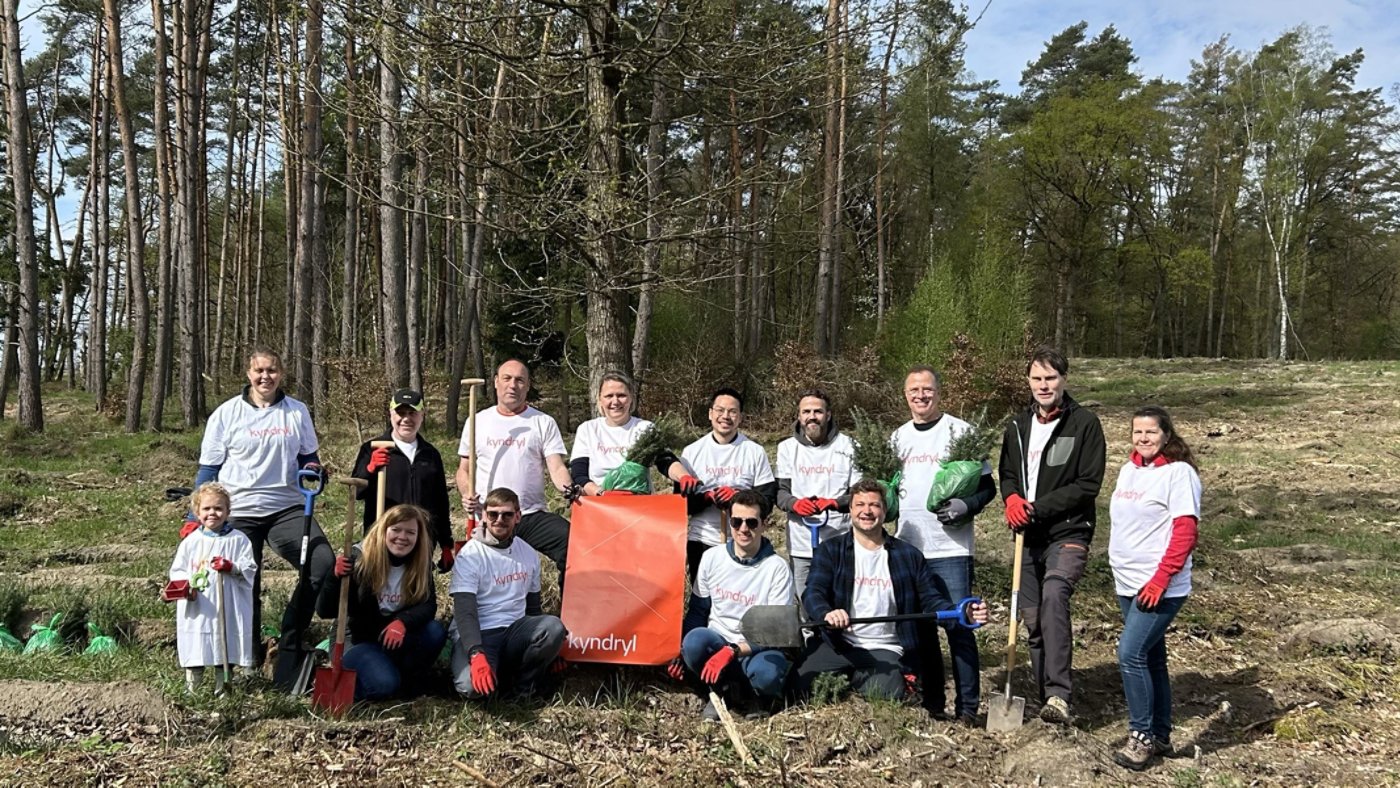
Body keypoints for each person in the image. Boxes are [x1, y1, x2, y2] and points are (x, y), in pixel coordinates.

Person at [192, 348, 332, 688]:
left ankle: (290, 640)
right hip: (238, 512)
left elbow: (308, 458)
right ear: (248, 374)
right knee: (243, 582)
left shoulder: (296, 412)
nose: (265, 377)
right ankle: (247, 657)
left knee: (321, 563)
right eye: (258, 371)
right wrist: (194, 514)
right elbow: (209, 469)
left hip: (287, 508)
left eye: (271, 370)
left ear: (281, 373)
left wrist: (314, 471)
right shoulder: (226, 414)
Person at [797, 480, 989, 705]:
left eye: (874, 505)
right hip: (839, 644)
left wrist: (963, 613)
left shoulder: (908, 555)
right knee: (799, 687)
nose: (867, 511)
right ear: (850, 510)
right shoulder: (831, 550)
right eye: (860, 505)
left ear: (884, 511)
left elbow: (931, 600)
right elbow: (813, 592)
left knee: (888, 694)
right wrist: (826, 613)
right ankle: (850, 678)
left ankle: (863, 680)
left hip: (885, 649)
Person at [998, 346, 1106, 724]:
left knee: (1054, 597)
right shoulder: (1016, 425)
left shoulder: (1084, 424)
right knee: (1031, 617)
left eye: (1051, 378)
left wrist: (1038, 507)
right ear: (1028, 381)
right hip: (1026, 536)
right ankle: (1045, 696)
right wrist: (1012, 499)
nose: (1044, 386)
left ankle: (1060, 694)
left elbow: (1088, 483)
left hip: (1068, 531)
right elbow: (1008, 472)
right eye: (1037, 378)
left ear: (1064, 380)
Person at [891, 366, 996, 723]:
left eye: (927, 389)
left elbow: (987, 487)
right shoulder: (897, 438)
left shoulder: (961, 431)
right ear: (905, 395)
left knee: (958, 625)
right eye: (913, 390)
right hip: (908, 547)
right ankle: (933, 704)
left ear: (939, 392)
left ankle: (968, 709)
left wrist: (968, 505)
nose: (921, 395)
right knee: (920, 630)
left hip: (950, 548)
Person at [1108, 406, 1201, 770]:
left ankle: (1141, 735)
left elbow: (1185, 531)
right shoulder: (1128, 470)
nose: (1143, 438)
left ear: (1166, 435)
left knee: (1129, 655)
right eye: (1137, 432)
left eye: (1151, 432)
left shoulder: (1179, 474)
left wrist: (1163, 577)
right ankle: (1161, 733)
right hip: (1127, 580)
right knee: (1151, 657)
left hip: (1159, 585)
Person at [676, 490, 794, 719]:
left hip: (754, 648)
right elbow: (699, 610)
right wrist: (678, 652)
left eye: (751, 522)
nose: (743, 529)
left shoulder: (777, 568)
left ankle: (753, 695)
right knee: (693, 642)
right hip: (717, 640)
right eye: (736, 521)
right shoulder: (712, 557)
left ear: (764, 524)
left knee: (769, 674)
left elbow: (775, 632)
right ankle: (720, 690)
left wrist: (735, 649)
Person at [456, 360, 575, 580]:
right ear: (495, 382)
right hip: (489, 517)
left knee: (573, 543)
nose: (513, 385)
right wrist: (466, 494)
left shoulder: (542, 422)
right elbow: (464, 471)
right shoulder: (477, 421)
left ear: (528, 385)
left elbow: (556, 466)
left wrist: (571, 491)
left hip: (529, 515)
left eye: (520, 380)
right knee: (483, 574)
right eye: (507, 378)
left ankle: (569, 610)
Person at [317, 504, 447, 701]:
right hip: (357, 640)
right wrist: (334, 578)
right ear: (383, 531)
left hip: (391, 638)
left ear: (418, 536)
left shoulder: (420, 563)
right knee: (384, 684)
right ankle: (365, 683)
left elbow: (428, 605)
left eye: (410, 532)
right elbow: (324, 610)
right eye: (396, 530)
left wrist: (402, 622)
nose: (402, 537)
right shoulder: (359, 560)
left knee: (434, 631)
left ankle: (408, 681)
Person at [449, 487, 568, 701]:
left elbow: (533, 608)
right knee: (470, 688)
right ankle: (491, 672)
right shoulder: (470, 554)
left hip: (514, 630)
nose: (499, 520)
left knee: (553, 627)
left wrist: (551, 649)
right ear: (484, 515)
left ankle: (524, 687)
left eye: (507, 514)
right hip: (480, 632)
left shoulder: (529, 554)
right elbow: (464, 611)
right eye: (493, 514)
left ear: (518, 516)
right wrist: (476, 653)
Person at [671, 388, 777, 586]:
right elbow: (680, 504)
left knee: (738, 596)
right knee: (703, 597)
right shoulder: (691, 452)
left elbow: (767, 500)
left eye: (732, 411)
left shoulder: (754, 452)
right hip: (702, 539)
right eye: (720, 410)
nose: (725, 417)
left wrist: (739, 497)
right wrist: (707, 497)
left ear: (740, 417)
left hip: (743, 540)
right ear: (710, 413)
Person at [350, 389, 455, 572]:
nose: (406, 419)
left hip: (421, 540)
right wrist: (370, 469)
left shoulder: (430, 455)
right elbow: (357, 492)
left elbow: (441, 502)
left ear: (422, 415)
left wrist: (446, 544)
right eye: (400, 413)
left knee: (418, 594)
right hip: (383, 538)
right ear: (391, 414)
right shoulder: (372, 449)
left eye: (412, 413)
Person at [167, 483, 257, 694]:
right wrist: (184, 586)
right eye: (206, 509)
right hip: (199, 605)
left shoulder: (238, 540)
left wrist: (232, 567)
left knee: (223, 644)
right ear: (197, 512)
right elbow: (178, 570)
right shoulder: (191, 542)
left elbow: (250, 568)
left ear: (227, 512)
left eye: (218, 508)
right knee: (196, 645)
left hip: (226, 603)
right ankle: (192, 689)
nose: (212, 513)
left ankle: (223, 687)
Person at [775, 388, 859, 599]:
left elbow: (859, 494)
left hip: (839, 541)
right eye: (806, 412)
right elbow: (780, 492)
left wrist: (834, 503)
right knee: (805, 600)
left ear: (828, 415)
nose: (812, 417)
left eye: (818, 412)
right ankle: (809, 633)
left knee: (839, 599)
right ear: (799, 415)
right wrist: (794, 504)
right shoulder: (787, 448)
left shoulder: (849, 446)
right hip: (801, 542)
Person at [568, 371, 691, 495]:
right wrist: (602, 493)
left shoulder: (644, 428)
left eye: (621, 395)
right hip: (599, 503)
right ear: (600, 399)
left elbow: (665, 460)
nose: (615, 401)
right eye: (609, 396)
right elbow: (579, 474)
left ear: (631, 398)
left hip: (638, 503)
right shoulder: (588, 429)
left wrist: (683, 476)